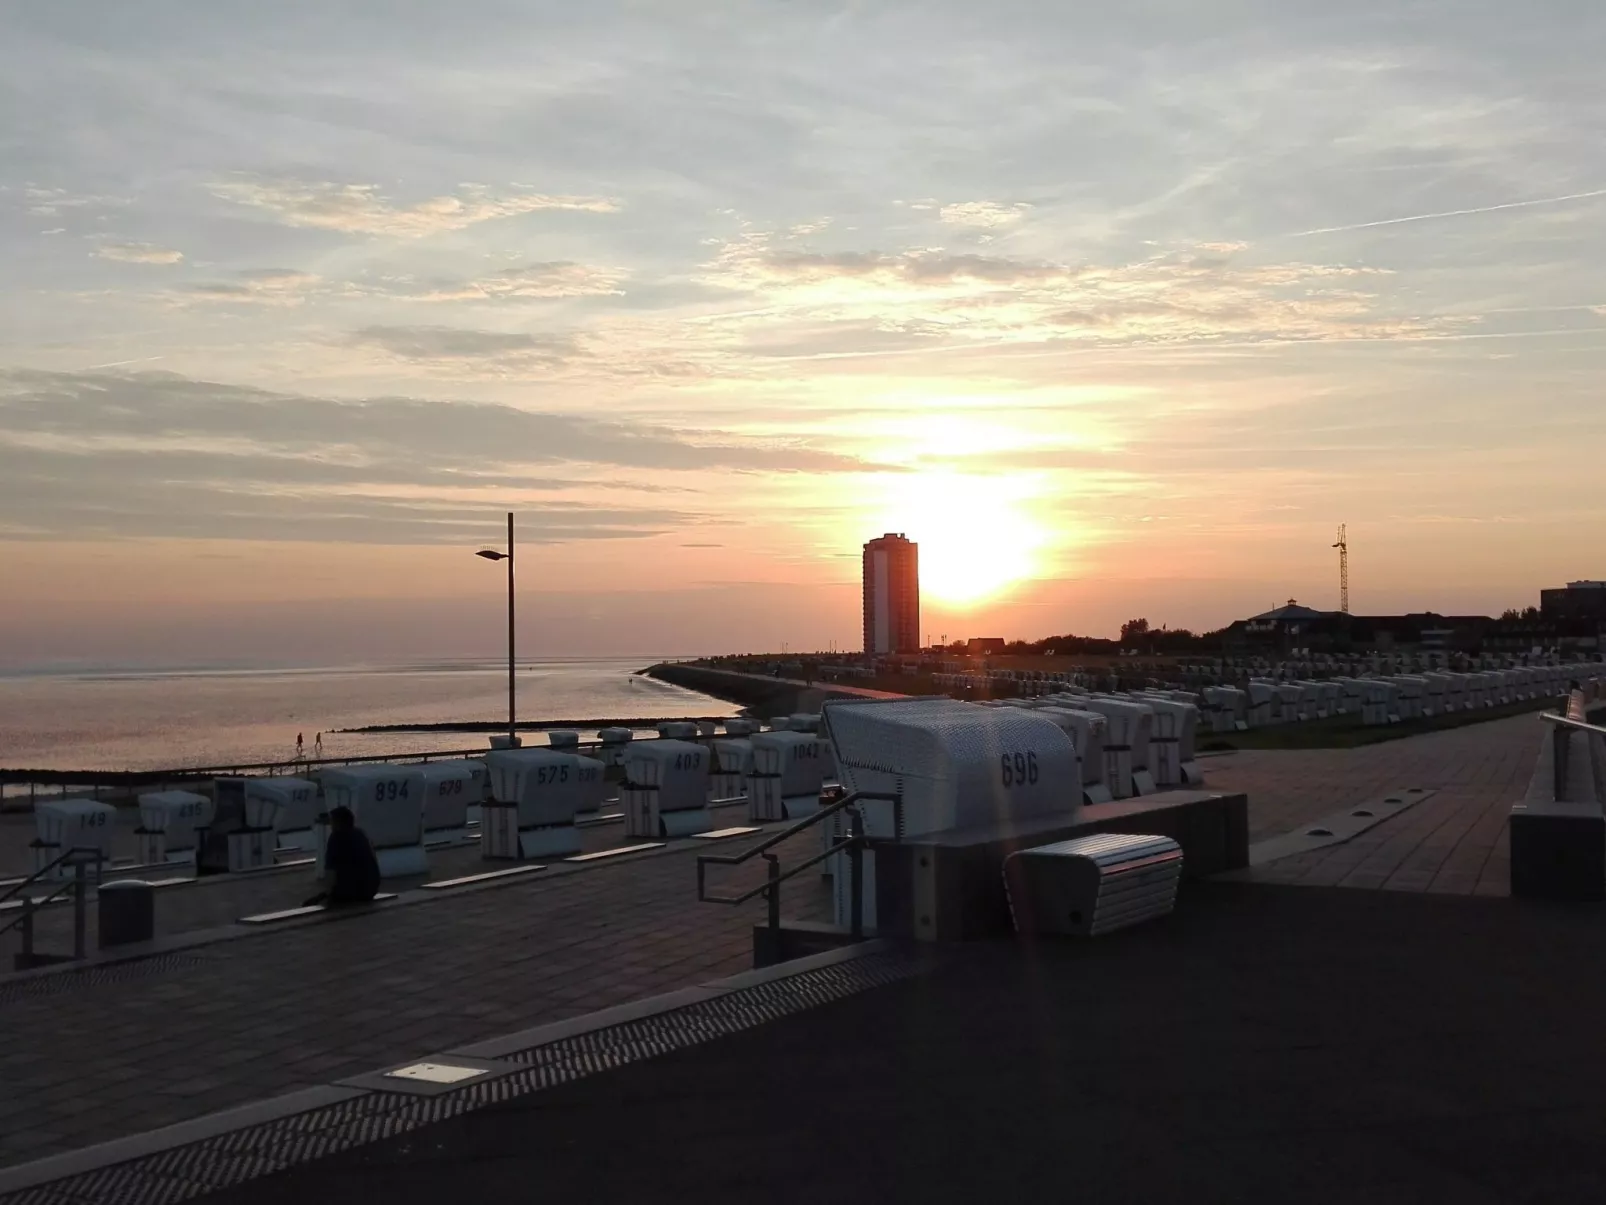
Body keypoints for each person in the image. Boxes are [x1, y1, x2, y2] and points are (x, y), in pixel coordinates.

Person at [303, 805, 381, 907]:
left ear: (337, 823)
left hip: (349, 893)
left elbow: (331, 872)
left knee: (313, 903)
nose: (330, 825)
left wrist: (328, 893)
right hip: (370, 890)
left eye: (332, 821)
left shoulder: (336, 838)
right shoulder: (361, 833)